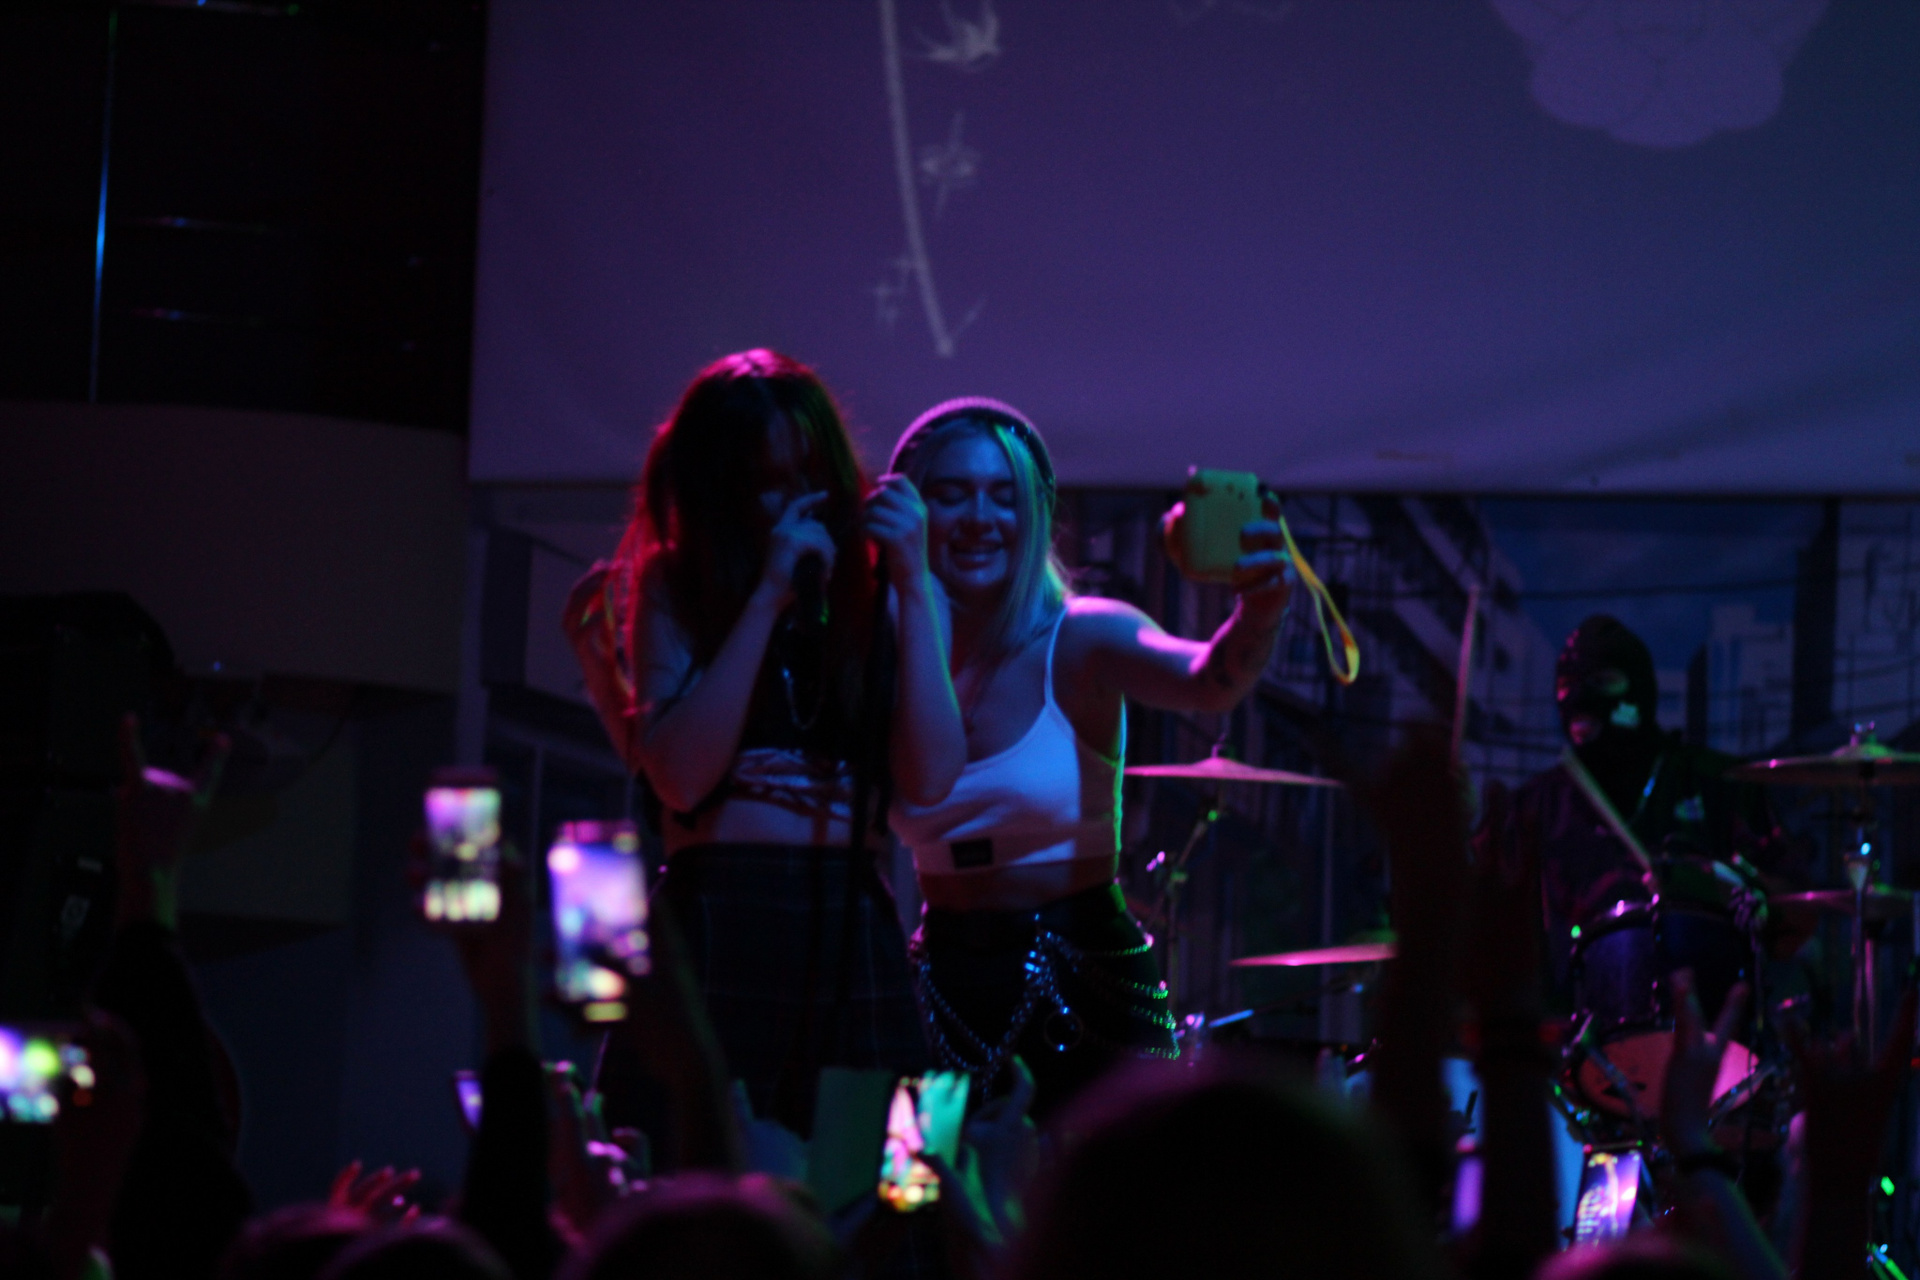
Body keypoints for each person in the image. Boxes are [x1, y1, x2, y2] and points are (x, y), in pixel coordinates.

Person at [564, 350, 964, 1137]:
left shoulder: (889, 588)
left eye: (808, 473)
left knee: (859, 1173)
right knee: (687, 1153)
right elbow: (680, 778)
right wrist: (766, 600)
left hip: (844, 909)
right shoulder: (677, 583)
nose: (793, 502)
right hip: (720, 904)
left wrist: (915, 584)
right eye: (764, 482)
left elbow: (931, 781)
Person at [886, 398, 1290, 1115]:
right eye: (951, 495)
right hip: (944, 973)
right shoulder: (890, 658)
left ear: (1037, 516)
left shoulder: (1082, 636)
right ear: (909, 512)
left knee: (1115, 1184)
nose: (980, 518)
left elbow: (1209, 681)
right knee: (935, 1182)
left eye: (1004, 496)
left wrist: (1259, 611)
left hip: (1085, 967)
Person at [1484, 615, 1800, 1005]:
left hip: (1712, 1017)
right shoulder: (1534, 808)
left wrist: (1720, 888)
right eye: (1567, 686)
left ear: (1640, 692)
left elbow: (1796, 911)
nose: (1579, 697)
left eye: (1603, 681)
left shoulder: (1719, 785)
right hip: (1573, 1025)